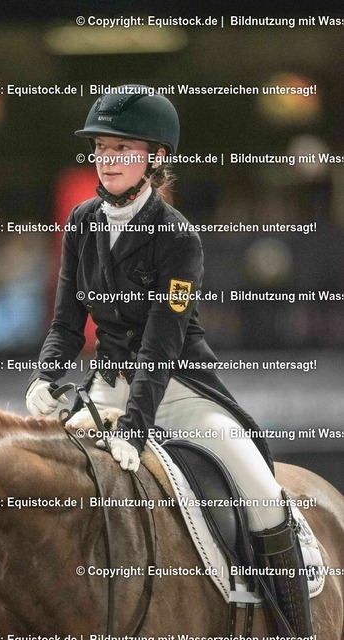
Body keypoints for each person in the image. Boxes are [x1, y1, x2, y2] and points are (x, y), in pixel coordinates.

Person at [26, 85, 313, 636]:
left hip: (179, 391)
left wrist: (135, 428)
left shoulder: (178, 237)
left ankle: (295, 628)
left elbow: (160, 345)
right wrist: (46, 373)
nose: (107, 160)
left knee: (262, 492)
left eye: (122, 149)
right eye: (101, 148)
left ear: (155, 158)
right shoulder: (82, 221)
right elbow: (66, 323)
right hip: (108, 386)